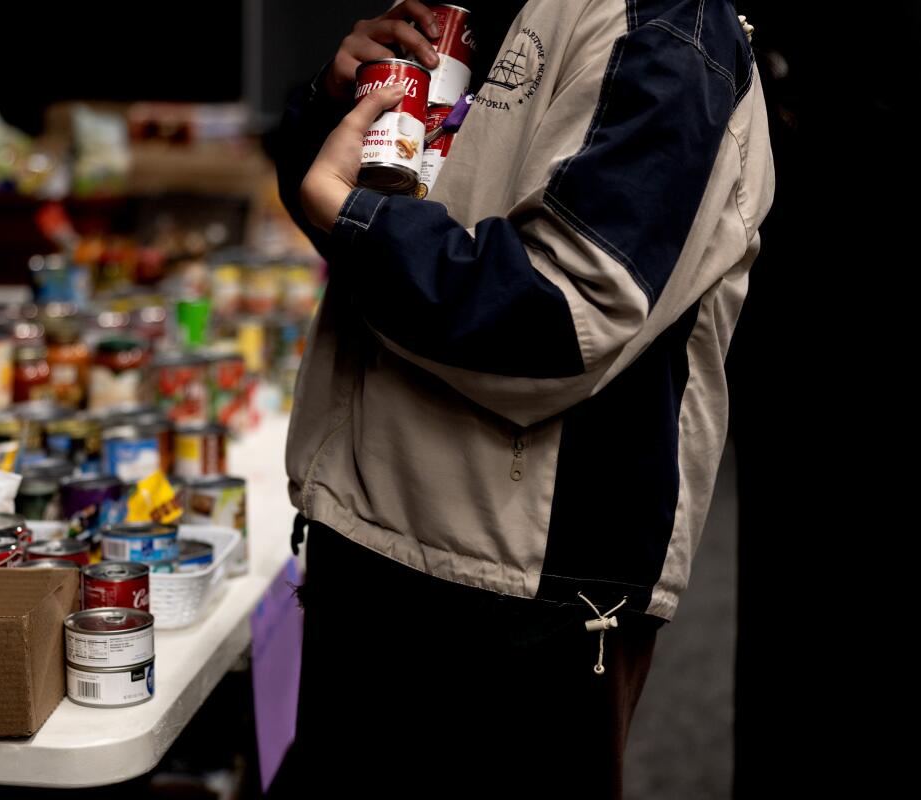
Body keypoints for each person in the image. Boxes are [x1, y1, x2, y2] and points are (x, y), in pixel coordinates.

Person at [271, 0, 774, 795]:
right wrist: (344, 111)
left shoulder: (670, 28)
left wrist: (349, 213)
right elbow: (396, 241)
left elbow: (560, 317)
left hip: (519, 596)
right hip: (372, 531)